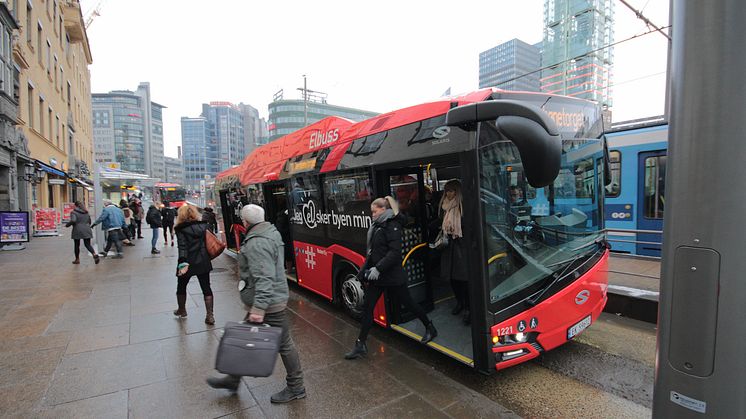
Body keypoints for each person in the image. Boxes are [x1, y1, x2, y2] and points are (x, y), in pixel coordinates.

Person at [207, 204, 306, 404]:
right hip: (270, 299)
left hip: (268, 303)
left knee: (285, 345)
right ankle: (233, 379)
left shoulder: (257, 243)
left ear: (246, 222)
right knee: (245, 339)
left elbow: (264, 278)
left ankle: (296, 387)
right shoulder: (270, 231)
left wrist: (259, 308)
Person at [344, 197, 437, 360]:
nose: (371, 214)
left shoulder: (392, 225)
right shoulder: (378, 225)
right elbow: (374, 251)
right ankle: (360, 344)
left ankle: (430, 327)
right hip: (377, 276)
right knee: (367, 308)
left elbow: (394, 253)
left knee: (409, 304)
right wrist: (370, 269)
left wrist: (378, 268)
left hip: (392, 276)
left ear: (383, 210)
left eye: (374, 211)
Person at [173, 204, 215, 325]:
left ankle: (182, 310)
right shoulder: (203, 226)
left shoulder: (180, 229)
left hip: (187, 262)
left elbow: (182, 247)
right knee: (206, 288)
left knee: (181, 286)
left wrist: (182, 262)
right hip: (203, 261)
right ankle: (210, 316)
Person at [438, 180, 470, 324]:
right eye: (447, 190)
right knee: (451, 278)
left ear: (457, 192)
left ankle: (468, 307)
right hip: (448, 247)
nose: (449, 193)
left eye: (451, 191)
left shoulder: (463, 206)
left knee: (463, 279)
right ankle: (460, 302)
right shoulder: (443, 206)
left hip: (461, 247)